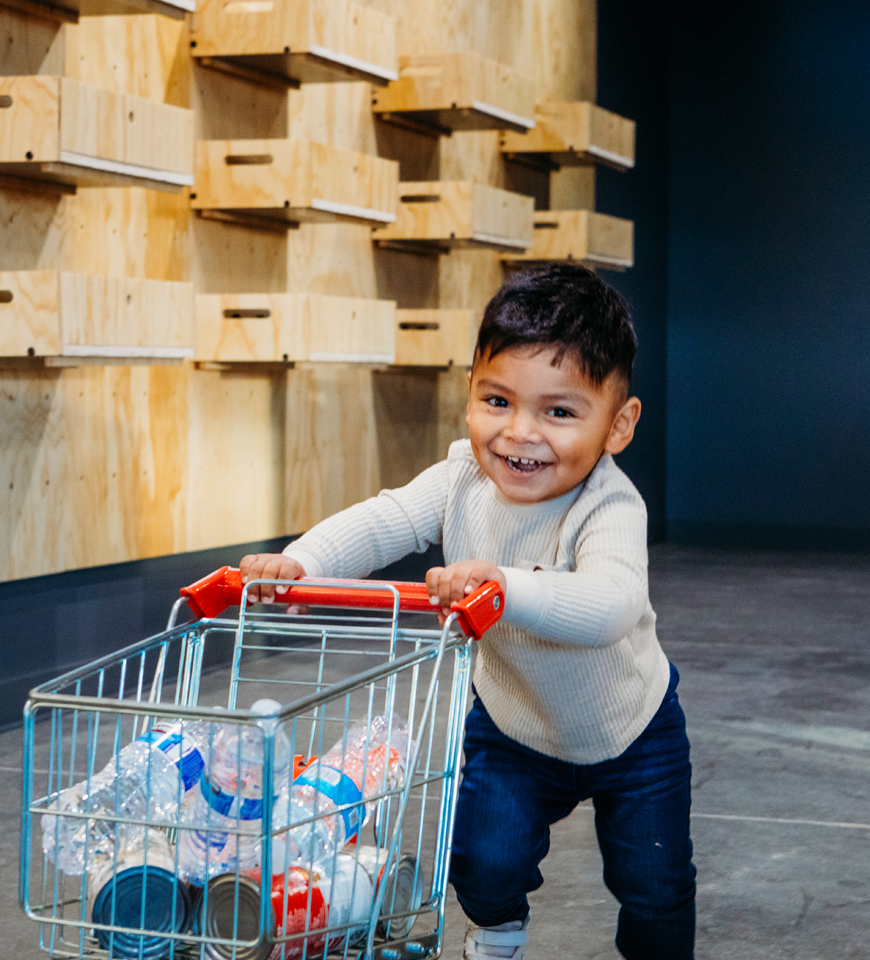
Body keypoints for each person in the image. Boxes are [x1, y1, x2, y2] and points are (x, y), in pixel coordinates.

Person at [239, 263, 696, 960]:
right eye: (498, 400)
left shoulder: (608, 503)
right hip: (515, 726)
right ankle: (499, 932)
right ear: (470, 396)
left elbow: (610, 604)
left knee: (654, 882)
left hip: (632, 733)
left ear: (618, 425)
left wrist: (506, 586)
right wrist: (301, 562)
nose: (520, 434)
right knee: (483, 860)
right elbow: (384, 520)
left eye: (560, 411)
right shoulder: (461, 477)